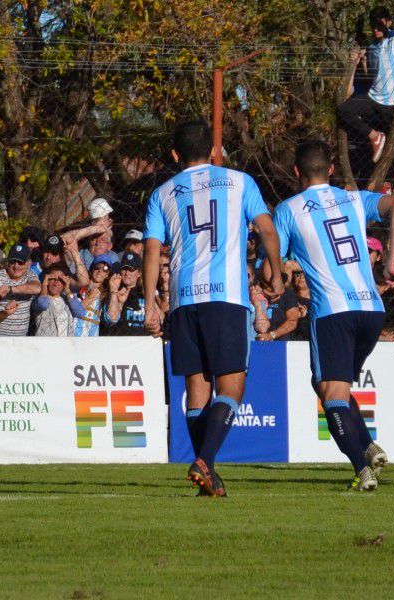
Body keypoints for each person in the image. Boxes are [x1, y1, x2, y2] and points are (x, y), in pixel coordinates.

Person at [143, 119, 284, 497]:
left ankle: (208, 472)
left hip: (184, 299)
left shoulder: (162, 194)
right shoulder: (239, 181)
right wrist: (277, 272)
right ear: (215, 151)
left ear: (175, 155)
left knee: (196, 389)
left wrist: (152, 304)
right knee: (232, 387)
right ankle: (204, 461)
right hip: (227, 296)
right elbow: (268, 230)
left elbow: (152, 250)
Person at [265, 139, 394, 491]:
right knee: (330, 384)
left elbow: (275, 272)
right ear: (331, 169)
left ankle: (362, 469)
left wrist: (271, 277)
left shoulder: (288, 209)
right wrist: (391, 258)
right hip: (372, 309)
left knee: (330, 393)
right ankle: (368, 446)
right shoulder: (355, 198)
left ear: (296, 172)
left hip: (333, 310)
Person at [336, 6, 394, 163]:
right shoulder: (373, 47)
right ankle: (375, 137)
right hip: (372, 97)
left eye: (380, 25)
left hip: (391, 104)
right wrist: (360, 60)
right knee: (343, 111)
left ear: (389, 23)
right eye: (373, 26)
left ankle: (387, 181)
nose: (376, 29)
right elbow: (371, 74)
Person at [0, 244, 41, 336]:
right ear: (7, 261)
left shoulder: (30, 275)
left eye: (21, 263)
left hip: (20, 339)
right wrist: (5, 313)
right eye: (13, 261)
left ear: (29, 263)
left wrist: (10, 289)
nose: (16, 266)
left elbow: (37, 288)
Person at [32, 264, 86, 336]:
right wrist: (44, 285)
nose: (56, 282)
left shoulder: (68, 299)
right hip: (45, 344)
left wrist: (68, 291)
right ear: (46, 280)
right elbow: (43, 304)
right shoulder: (39, 297)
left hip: (65, 344)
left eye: (60, 280)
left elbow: (80, 313)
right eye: (52, 279)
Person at [102, 252, 147, 336]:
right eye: (124, 269)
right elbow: (112, 319)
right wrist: (114, 291)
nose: (127, 273)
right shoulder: (113, 291)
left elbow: (160, 320)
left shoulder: (145, 292)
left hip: (143, 343)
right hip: (121, 343)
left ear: (139, 273)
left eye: (131, 270)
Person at [255, 276, 301, 341]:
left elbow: (292, 322)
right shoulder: (256, 292)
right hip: (257, 341)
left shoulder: (287, 294)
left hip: (281, 343)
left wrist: (271, 335)